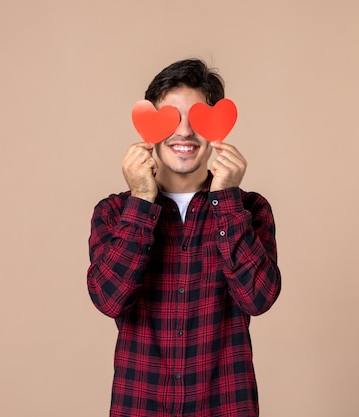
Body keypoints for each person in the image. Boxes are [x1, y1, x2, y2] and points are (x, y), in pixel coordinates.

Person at [87, 58, 281, 417]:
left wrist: (225, 200)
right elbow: (109, 300)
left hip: (225, 405)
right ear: (149, 127)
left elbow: (259, 299)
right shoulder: (114, 213)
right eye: (171, 118)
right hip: (139, 405)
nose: (185, 132)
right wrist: (142, 200)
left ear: (217, 128)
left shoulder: (250, 209)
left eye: (198, 118)